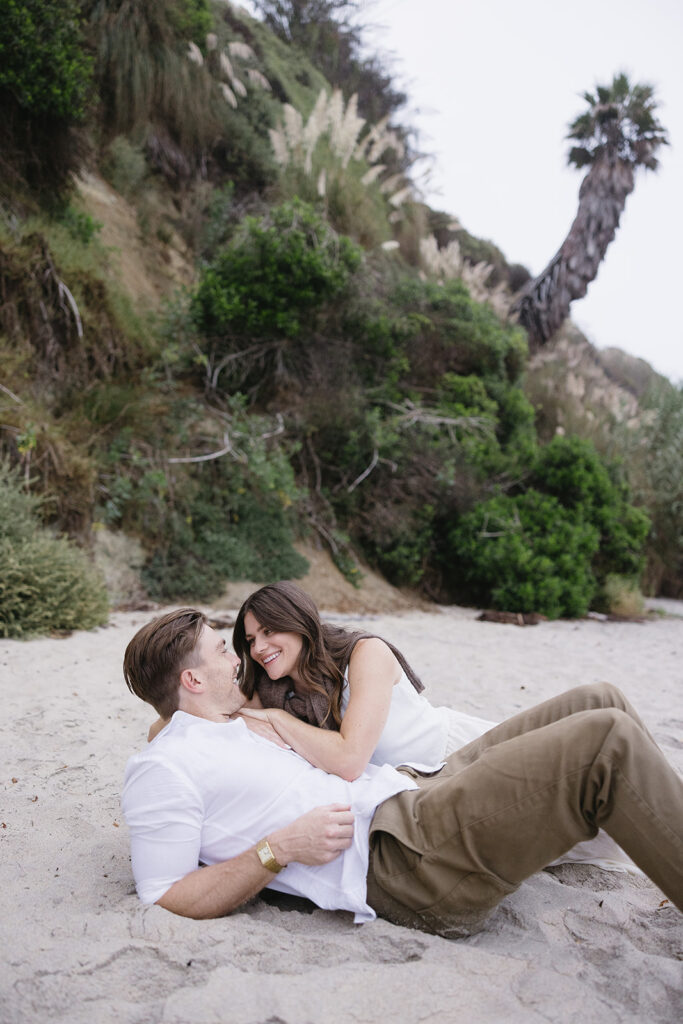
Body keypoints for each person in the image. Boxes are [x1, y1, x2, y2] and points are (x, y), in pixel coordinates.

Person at [122, 607, 683, 934]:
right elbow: (164, 893)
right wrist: (278, 849)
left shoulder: (223, 720)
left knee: (596, 698)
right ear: (193, 680)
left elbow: (174, 718)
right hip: (401, 858)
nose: (236, 659)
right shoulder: (164, 767)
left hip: (411, 790)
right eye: (223, 651)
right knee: (604, 740)